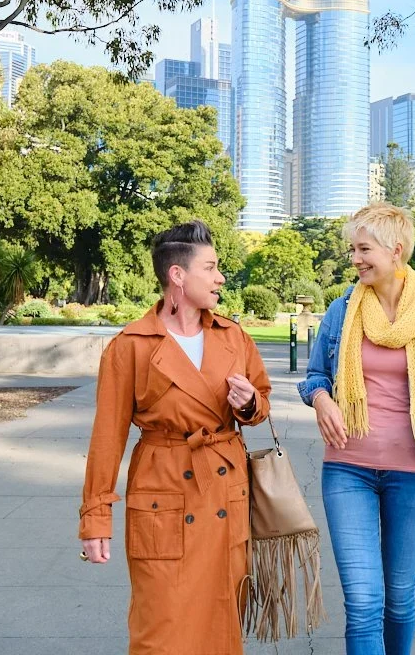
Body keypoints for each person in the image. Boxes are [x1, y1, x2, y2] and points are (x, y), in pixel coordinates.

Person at [79, 220, 272, 655]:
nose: (220, 277)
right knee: (161, 629)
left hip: (224, 492)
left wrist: (246, 404)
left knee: (222, 623)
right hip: (163, 494)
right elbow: (106, 438)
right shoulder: (131, 345)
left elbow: (261, 404)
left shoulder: (233, 335)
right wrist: (95, 518)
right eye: (211, 267)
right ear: (178, 276)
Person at [298, 202, 415, 655]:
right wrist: (322, 400)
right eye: (352, 250)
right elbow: (315, 375)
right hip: (348, 470)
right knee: (363, 601)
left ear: (395, 250)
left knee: (398, 600)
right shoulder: (344, 310)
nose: (355, 258)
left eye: (364, 249)